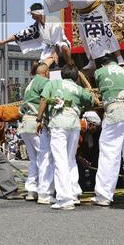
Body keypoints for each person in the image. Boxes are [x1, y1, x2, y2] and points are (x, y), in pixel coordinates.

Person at [90, 54, 124, 209]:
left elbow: (101, 92)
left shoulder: (100, 72)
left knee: (110, 155)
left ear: (102, 65)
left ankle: (104, 196)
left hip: (114, 114)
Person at [38, 65, 95, 210]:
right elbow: (91, 101)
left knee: (60, 160)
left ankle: (64, 199)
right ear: (77, 77)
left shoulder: (53, 84)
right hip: (74, 125)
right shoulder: (79, 88)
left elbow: (44, 100)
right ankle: (74, 193)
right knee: (70, 159)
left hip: (58, 124)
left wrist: (39, 119)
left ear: (61, 75)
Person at [0, 3, 72, 68]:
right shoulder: (36, 27)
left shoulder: (53, 20)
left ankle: (70, 66)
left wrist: (55, 54)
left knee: (64, 47)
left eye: (33, 14)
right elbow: (20, 34)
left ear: (38, 13)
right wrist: (4, 41)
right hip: (49, 49)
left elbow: (57, 40)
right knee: (40, 66)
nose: (32, 17)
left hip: (60, 45)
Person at [19, 64, 52, 203]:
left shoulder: (30, 83)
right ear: (46, 72)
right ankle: (44, 192)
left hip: (25, 123)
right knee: (44, 158)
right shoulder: (44, 82)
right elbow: (45, 100)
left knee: (34, 159)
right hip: (35, 123)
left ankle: (31, 190)